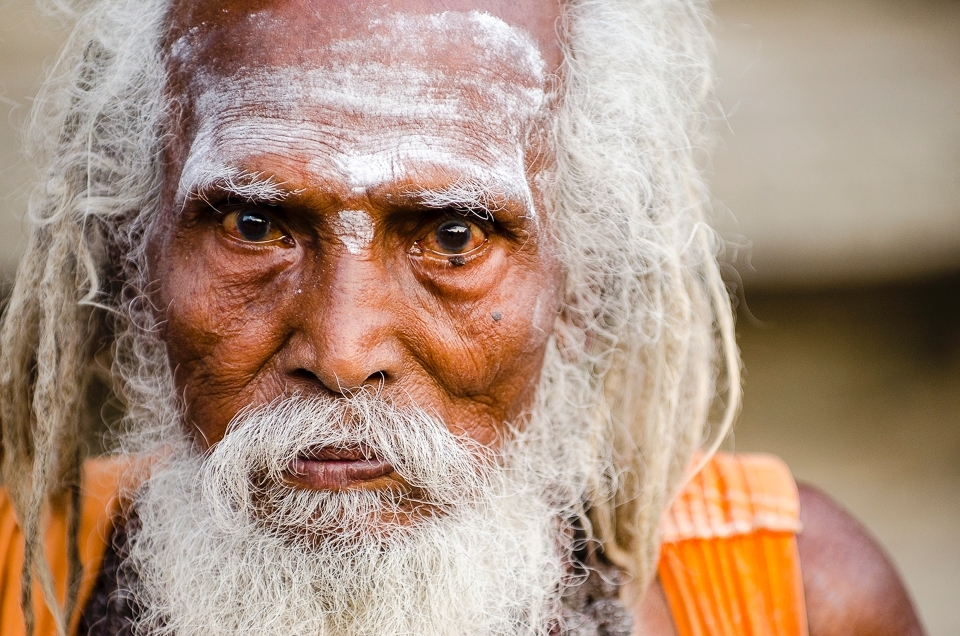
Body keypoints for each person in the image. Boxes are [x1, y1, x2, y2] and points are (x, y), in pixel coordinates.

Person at [0, 0, 924, 634]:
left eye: (452, 237)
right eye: (254, 225)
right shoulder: (18, 585)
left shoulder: (788, 601)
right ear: (133, 254)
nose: (344, 348)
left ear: (586, 276)